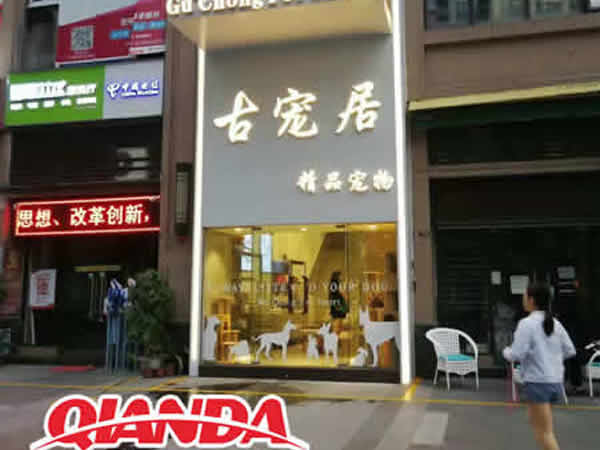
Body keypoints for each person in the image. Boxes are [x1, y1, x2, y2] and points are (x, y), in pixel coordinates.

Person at [503, 282, 576, 450]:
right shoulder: (555, 323)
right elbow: (570, 350)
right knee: (541, 430)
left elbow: (516, 354)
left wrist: (505, 351)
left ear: (531, 300)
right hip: (555, 382)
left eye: (524, 296)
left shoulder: (526, 324)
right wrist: (551, 359)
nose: (523, 299)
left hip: (537, 383)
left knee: (544, 433)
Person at [329, 271, 348, 336]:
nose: (340, 326)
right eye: (340, 327)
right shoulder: (343, 315)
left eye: (338, 327)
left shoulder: (335, 315)